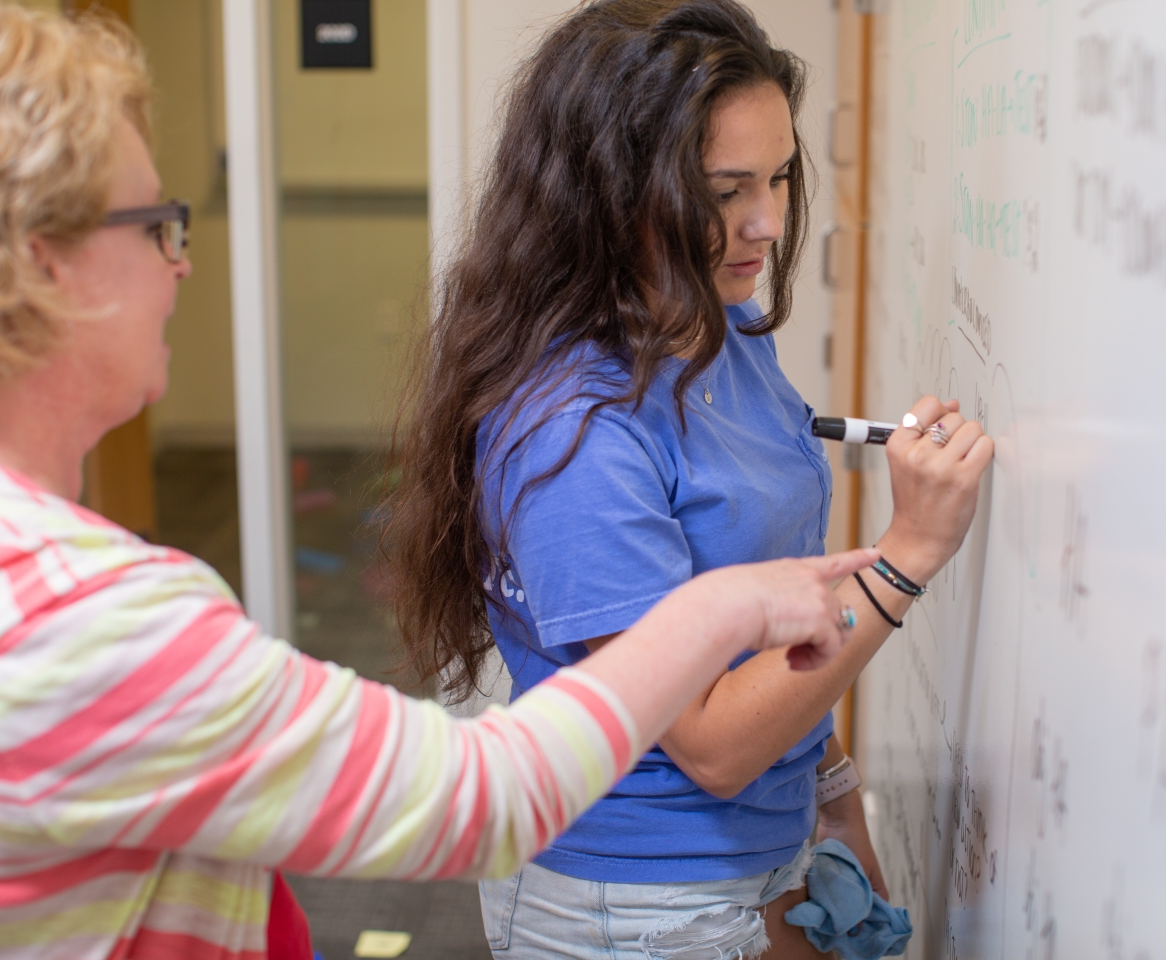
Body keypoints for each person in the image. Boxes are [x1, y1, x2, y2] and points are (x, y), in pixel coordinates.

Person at [0, 3, 880, 958]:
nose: (181, 266)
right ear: (35, 265)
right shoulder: (81, 625)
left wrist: (823, 772)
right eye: (156, 226)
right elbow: (484, 800)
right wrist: (740, 609)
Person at [385, 0, 996, 956]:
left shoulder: (724, 323)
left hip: (765, 849)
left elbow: (763, 607)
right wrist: (908, 552)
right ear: (606, 193)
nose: (766, 222)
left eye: (781, 177)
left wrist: (829, 788)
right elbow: (709, 741)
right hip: (628, 900)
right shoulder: (571, 431)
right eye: (722, 192)